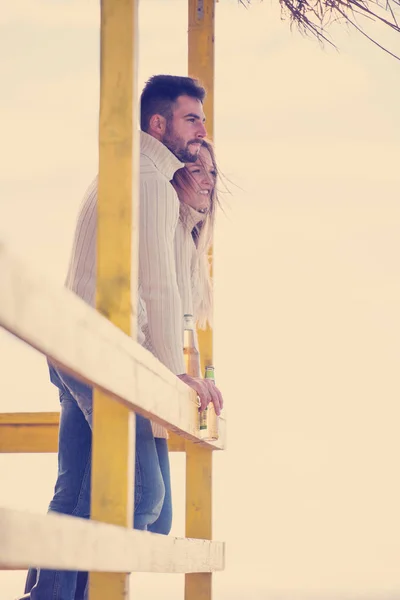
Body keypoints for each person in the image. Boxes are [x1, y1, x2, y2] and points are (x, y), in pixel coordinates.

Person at [19, 75, 223, 600]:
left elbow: (168, 283)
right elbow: (157, 287)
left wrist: (193, 214)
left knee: (85, 496)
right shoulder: (147, 179)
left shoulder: (140, 176)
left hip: (84, 348)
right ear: (159, 123)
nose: (202, 127)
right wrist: (172, 374)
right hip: (99, 354)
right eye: (191, 118)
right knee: (140, 498)